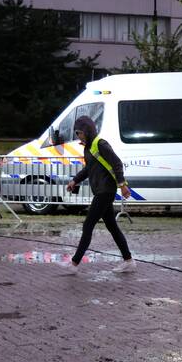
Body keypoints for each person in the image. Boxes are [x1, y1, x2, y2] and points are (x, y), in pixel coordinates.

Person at [65, 115, 135, 271]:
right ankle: (129, 261)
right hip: (100, 190)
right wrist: (75, 180)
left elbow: (117, 163)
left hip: (106, 190)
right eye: (76, 133)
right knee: (112, 226)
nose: (78, 136)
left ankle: (74, 263)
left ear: (87, 131)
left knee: (88, 224)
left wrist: (122, 185)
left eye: (79, 133)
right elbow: (88, 169)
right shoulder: (88, 148)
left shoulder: (100, 144)